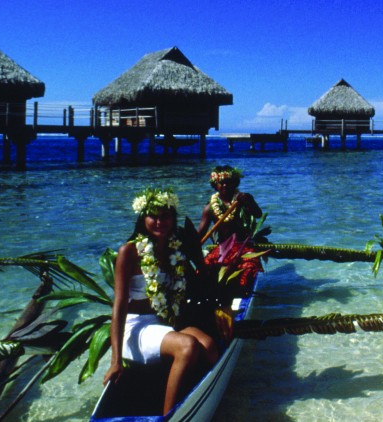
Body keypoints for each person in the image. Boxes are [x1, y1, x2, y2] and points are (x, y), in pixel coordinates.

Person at [104, 187, 220, 416]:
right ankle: (169, 416)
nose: (159, 222)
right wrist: (115, 361)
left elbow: (199, 273)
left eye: (165, 216)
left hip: (162, 323)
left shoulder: (174, 249)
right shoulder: (129, 252)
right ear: (142, 218)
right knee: (188, 345)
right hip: (135, 328)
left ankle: (193, 396)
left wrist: (195, 249)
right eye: (153, 216)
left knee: (208, 345)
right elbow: (118, 307)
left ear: (173, 219)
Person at [198, 165, 263, 244]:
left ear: (235, 183)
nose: (225, 185)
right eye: (221, 183)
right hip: (222, 247)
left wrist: (249, 202)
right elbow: (200, 234)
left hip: (245, 245)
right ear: (215, 185)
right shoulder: (209, 208)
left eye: (228, 182)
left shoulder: (245, 198)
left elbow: (258, 214)